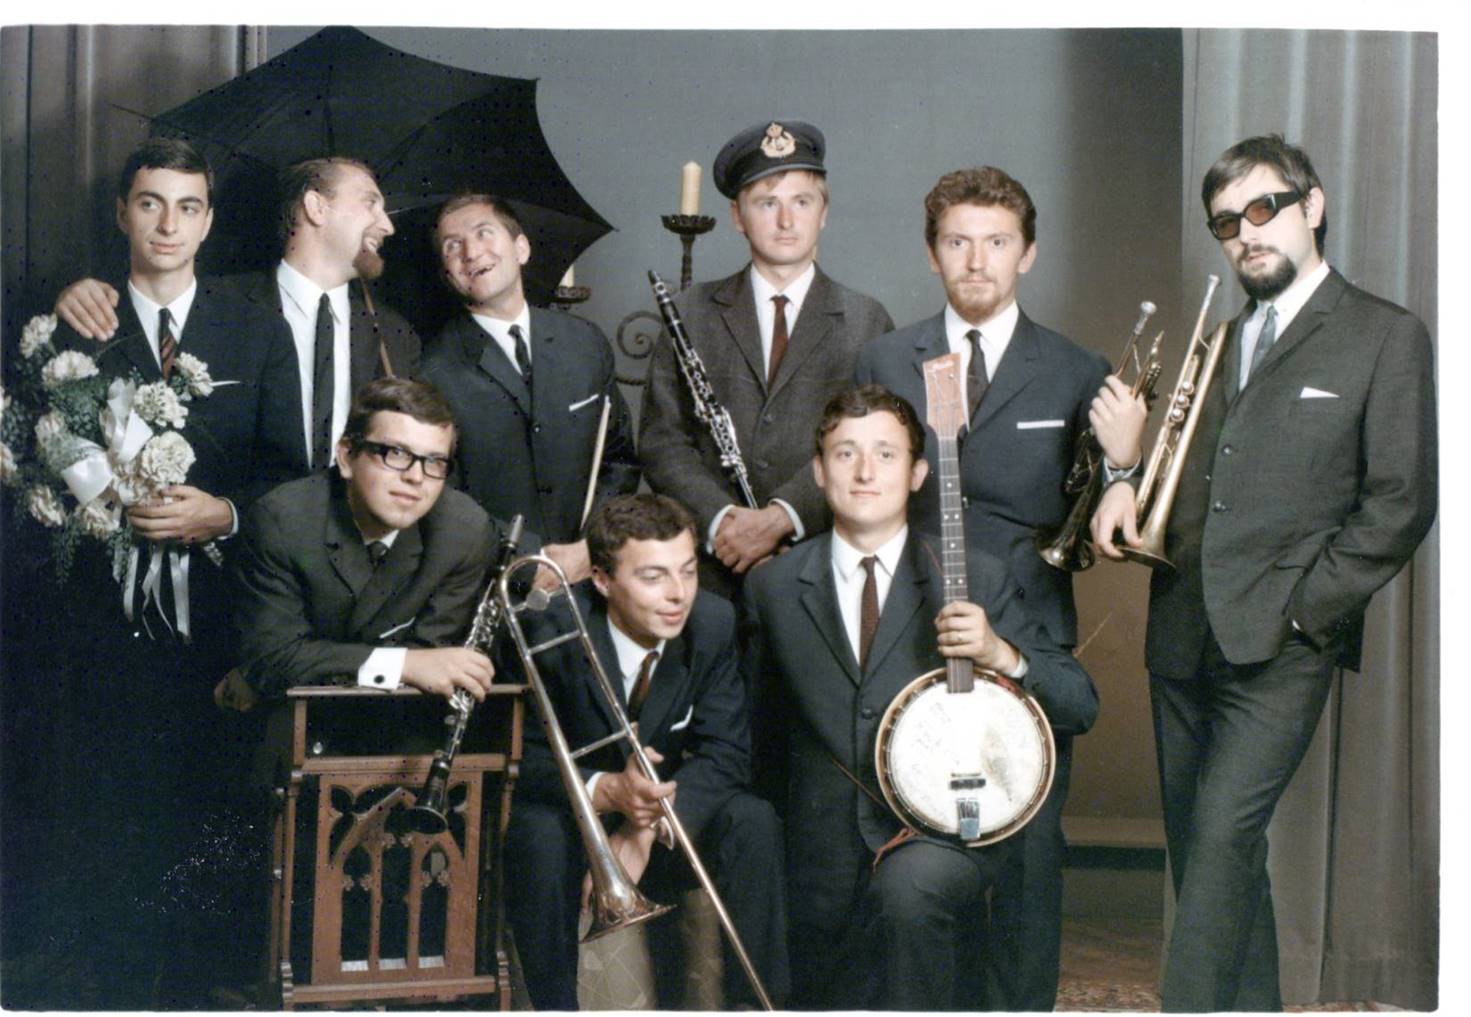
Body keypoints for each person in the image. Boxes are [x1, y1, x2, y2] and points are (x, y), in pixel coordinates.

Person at [1090, 134, 1437, 1011]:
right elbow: (1191, 486)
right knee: (1212, 855)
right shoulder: (1218, 340)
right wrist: (1122, 471)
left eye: (1261, 209)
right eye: (1224, 222)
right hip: (1180, 633)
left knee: (1218, 844)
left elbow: (1400, 503)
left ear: (1310, 206)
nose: (1244, 233)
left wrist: (1301, 612)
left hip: (1280, 643)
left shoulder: (1383, 334)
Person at [853, 165, 1140, 1008]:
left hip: (1027, 642)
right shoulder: (883, 357)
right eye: (957, 242)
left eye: (996, 242)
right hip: (909, 631)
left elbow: (1109, 508)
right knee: (911, 849)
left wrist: (1125, 462)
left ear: (1028, 253)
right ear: (931, 253)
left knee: (1025, 858)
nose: (976, 260)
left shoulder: (1076, 368)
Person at [47, 136, 307, 1007]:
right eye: (150, 203)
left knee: (211, 806)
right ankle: (113, 983)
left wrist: (222, 513)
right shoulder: (78, 321)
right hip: (96, 622)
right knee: (107, 807)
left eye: (187, 206)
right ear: (122, 213)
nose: (168, 224)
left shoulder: (255, 327)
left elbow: (291, 474)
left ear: (208, 221)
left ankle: (198, 988)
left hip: (217, 619)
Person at [742, 384, 1097, 1010]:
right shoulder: (772, 587)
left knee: (910, 894)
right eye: (845, 453)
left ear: (917, 474)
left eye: (885, 454)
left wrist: (1001, 654)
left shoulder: (977, 575)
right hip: (817, 853)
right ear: (819, 472)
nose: (865, 471)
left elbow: (1079, 703)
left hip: (939, 838)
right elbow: (757, 735)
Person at [502, 493, 787, 1010]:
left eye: (688, 572)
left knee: (753, 821)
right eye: (653, 577)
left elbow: (726, 752)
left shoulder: (712, 621)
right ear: (601, 580)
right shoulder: (551, 628)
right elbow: (525, 763)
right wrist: (610, 791)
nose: (678, 594)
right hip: (576, 822)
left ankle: (757, 1007)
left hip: (663, 819)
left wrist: (644, 830)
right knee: (536, 833)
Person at [639, 119, 893, 599]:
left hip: (819, 565)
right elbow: (662, 441)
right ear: (737, 216)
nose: (786, 221)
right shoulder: (691, 311)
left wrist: (782, 518)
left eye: (802, 202)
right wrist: (723, 521)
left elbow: (874, 448)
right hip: (708, 571)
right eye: (767, 203)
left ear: (824, 213)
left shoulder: (867, 320)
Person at [54, 155, 421, 471]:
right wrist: (76, 297)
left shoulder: (396, 337)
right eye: (370, 203)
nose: (387, 225)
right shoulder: (210, 300)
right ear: (316, 207)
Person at [419, 193, 639, 586]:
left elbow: (620, 461)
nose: (471, 252)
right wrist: (524, 559)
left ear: (521, 248)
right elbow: (441, 495)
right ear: (448, 273)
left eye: (484, 233)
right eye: (453, 246)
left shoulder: (586, 341)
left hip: (592, 572)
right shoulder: (429, 372)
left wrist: (592, 545)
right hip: (492, 583)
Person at [233, 376, 496, 703]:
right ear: (346, 456)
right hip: (289, 718)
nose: (415, 477)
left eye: (434, 461)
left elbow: (433, 664)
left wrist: (406, 664)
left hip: (399, 721)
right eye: (396, 453)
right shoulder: (281, 521)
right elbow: (270, 658)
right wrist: (403, 664)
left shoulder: (463, 532)